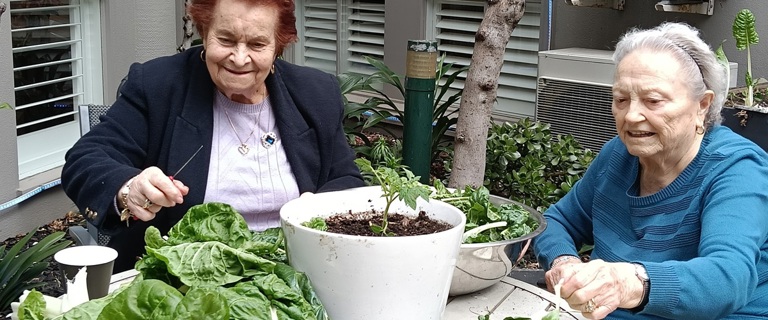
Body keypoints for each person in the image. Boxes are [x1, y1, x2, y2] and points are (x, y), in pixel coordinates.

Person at [62, 0, 364, 273]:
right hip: (183, 277)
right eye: (226, 39)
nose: (239, 58)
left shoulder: (316, 93)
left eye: (257, 44)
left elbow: (346, 179)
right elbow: (86, 160)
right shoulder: (157, 85)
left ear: (277, 48)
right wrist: (129, 188)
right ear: (205, 33)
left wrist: (314, 211)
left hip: (298, 274)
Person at [533, 22, 768, 319]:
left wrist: (628, 283)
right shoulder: (617, 155)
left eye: (653, 101)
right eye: (620, 99)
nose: (631, 115)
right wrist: (564, 262)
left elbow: (727, 278)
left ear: (702, 106)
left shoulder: (737, 170)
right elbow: (556, 221)